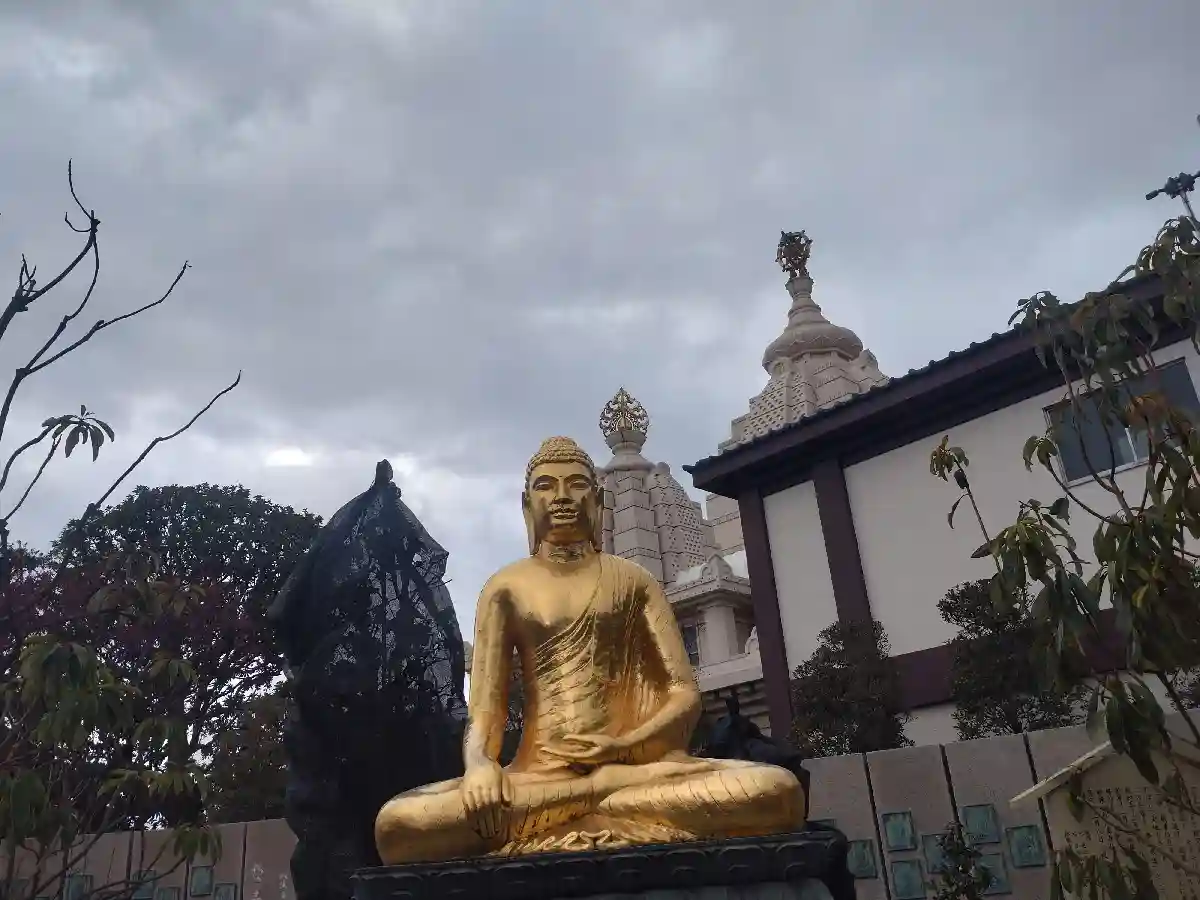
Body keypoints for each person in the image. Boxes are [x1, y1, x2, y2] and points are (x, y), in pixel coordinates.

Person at [374, 437, 805, 863]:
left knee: (775, 791)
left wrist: (622, 749)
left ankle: (589, 798)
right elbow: (486, 711)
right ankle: (598, 796)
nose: (562, 497)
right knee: (398, 825)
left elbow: (683, 694)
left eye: (577, 484)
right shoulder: (505, 588)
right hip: (536, 778)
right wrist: (480, 766)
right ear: (527, 505)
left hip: (633, 772)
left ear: (598, 501)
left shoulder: (633, 580)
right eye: (546, 486)